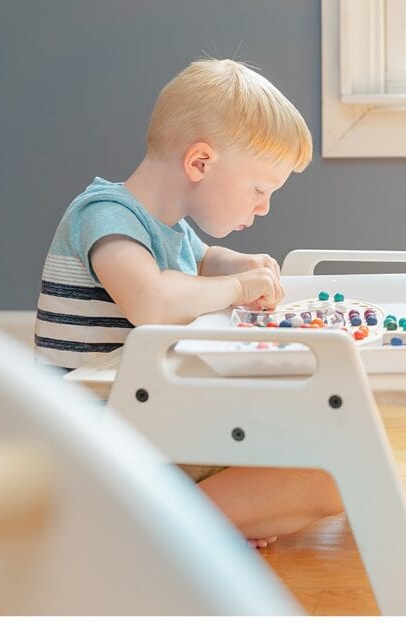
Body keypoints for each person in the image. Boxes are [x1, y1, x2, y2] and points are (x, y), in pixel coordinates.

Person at [35, 58, 343, 547]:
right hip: (96, 443)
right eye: (260, 189)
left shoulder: (169, 227)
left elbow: (200, 263)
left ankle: (197, 522)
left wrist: (239, 264)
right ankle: (151, 536)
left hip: (146, 424)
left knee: (323, 451)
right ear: (200, 162)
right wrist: (242, 289)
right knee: (327, 479)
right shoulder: (103, 214)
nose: (263, 207)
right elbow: (152, 300)